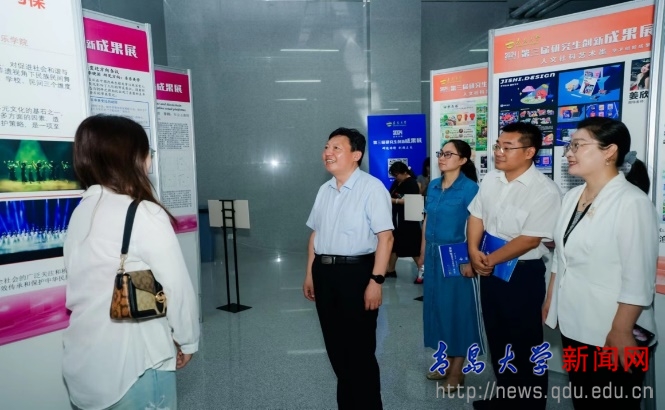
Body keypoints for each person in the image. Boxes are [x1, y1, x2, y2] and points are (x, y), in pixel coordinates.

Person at [62, 115, 200, 410]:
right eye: (147, 152)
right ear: (131, 158)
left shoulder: (81, 210)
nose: (150, 160)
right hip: (136, 364)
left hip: (85, 362)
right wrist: (187, 340)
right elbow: (176, 288)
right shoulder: (143, 213)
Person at [543, 118, 657, 410]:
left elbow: (639, 277)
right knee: (584, 400)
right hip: (575, 323)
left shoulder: (632, 202)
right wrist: (551, 297)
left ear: (610, 151)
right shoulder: (572, 197)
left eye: (578, 145)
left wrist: (621, 330)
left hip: (613, 330)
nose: (569, 153)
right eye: (569, 146)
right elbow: (561, 256)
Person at [467, 122, 561, 410]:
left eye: (507, 147)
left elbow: (530, 239)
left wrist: (488, 260)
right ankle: (506, 398)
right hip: (489, 270)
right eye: (498, 145)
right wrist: (473, 251)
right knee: (498, 338)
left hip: (522, 274)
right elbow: (476, 216)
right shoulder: (491, 180)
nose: (499, 152)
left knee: (525, 344)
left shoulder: (544, 190)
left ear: (530, 152)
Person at [303, 127, 393, 409]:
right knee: (336, 347)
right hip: (324, 273)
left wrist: (376, 281)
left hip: (357, 274)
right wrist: (310, 273)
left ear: (356, 155)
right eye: (326, 147)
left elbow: (386, 238)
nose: (327, 153)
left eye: (336, 148)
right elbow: (315, 234)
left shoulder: (372, 188)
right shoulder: (325, 190)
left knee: (360, 351)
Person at [418, 140, 483, 390]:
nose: (442, 158)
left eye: (448, 154)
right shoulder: (434, 186)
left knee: (458, 312)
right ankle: (444, 361)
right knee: (438, 309)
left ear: (463, 160)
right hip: (433, 255)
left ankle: (457, 370)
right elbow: (427, 220)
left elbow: (477, 226)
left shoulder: (470, 189)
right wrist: (422, 252)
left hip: (456, 256)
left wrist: (470, 259)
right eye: (441, 153)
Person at [385, 161, 422, 281]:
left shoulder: (411, 183)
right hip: (397, 218)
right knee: (395, 244)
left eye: (397, 175)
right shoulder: (397, 182)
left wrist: (393, 201)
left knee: (413, 247)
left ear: (404, 172)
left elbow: (412, 201)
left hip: (409, 220)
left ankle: (423, 272)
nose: (396, 177)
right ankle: (390, 270)